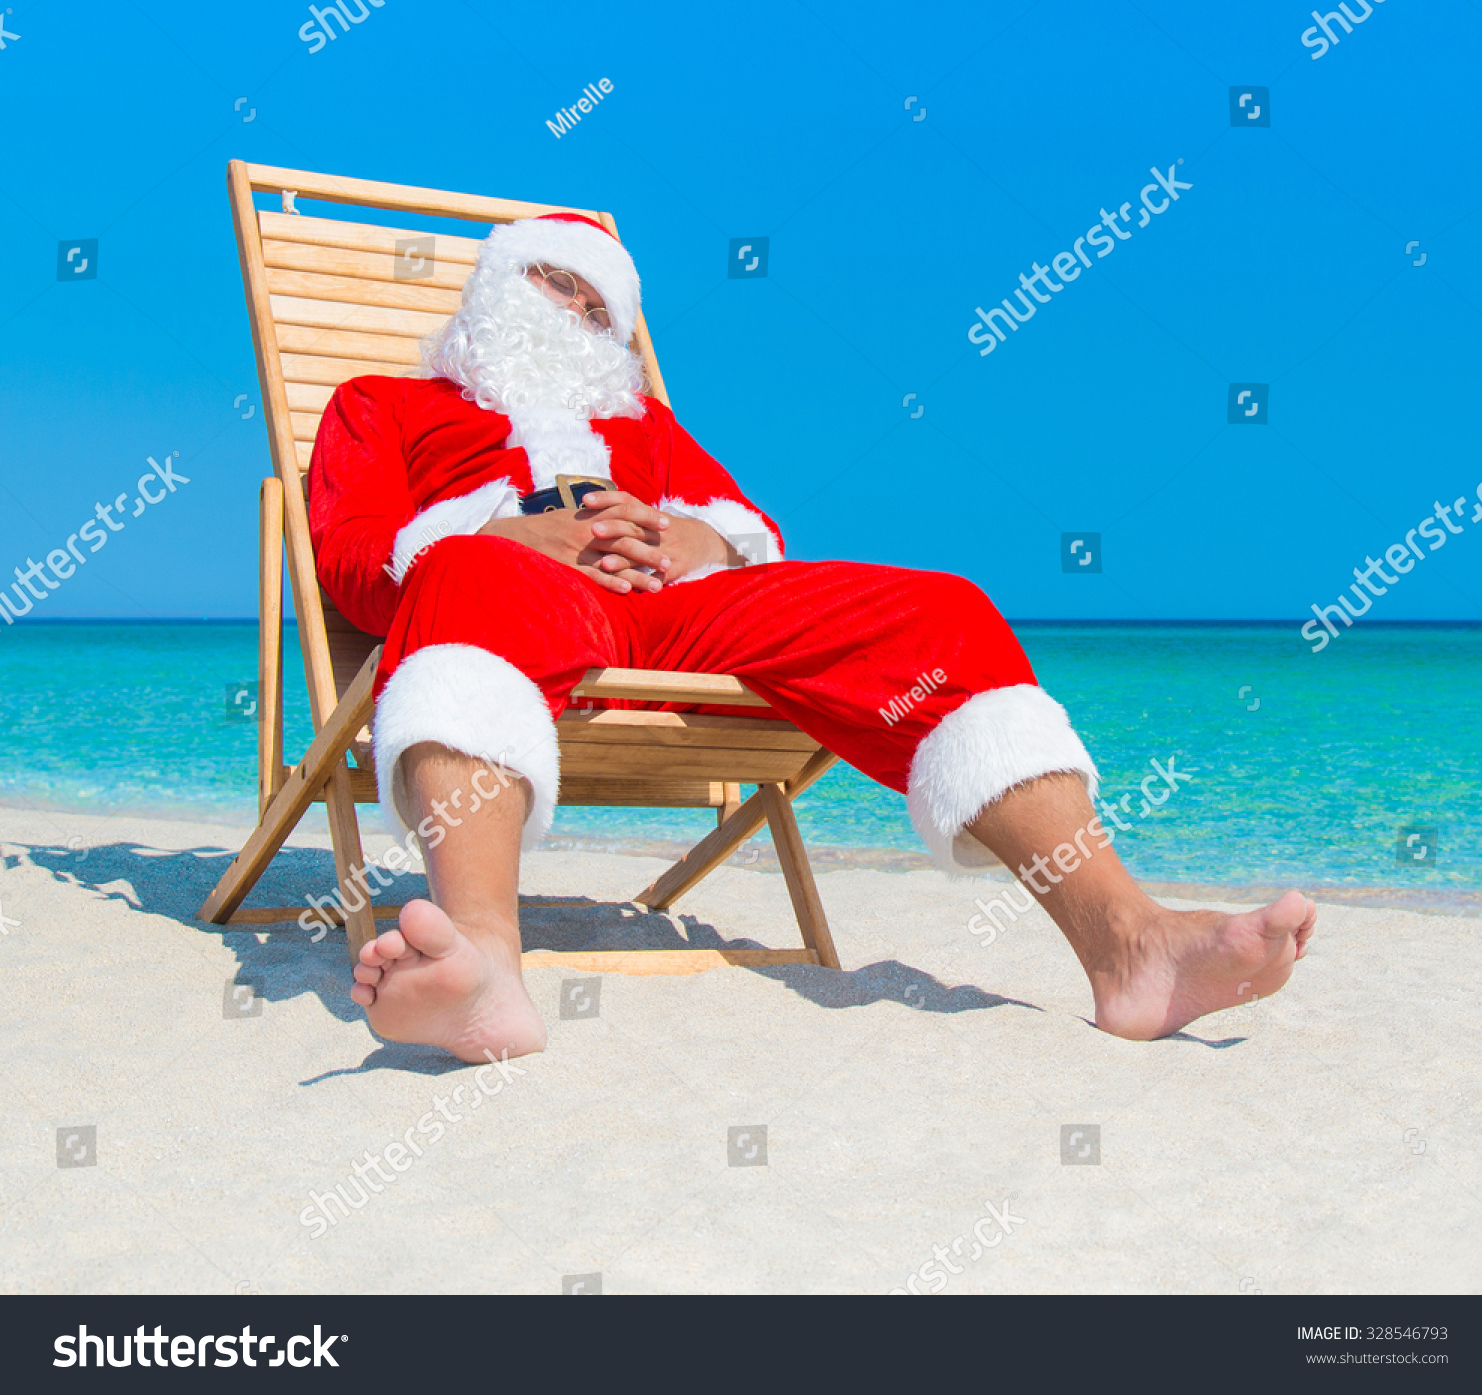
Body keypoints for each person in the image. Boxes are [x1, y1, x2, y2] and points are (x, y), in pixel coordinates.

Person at [310, 212, 1315, 1062]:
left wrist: (691, 534)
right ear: (495, 284)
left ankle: (1130, 944)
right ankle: (484, 961)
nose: (575, 312)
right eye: (555, 282)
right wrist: (509, 534)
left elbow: (751, 532)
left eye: (598, 307)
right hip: (507, 599)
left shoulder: (645, 425)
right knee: (460, 568)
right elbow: (351, 561)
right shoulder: (382, 406)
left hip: (666, 615)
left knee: (945, 612)